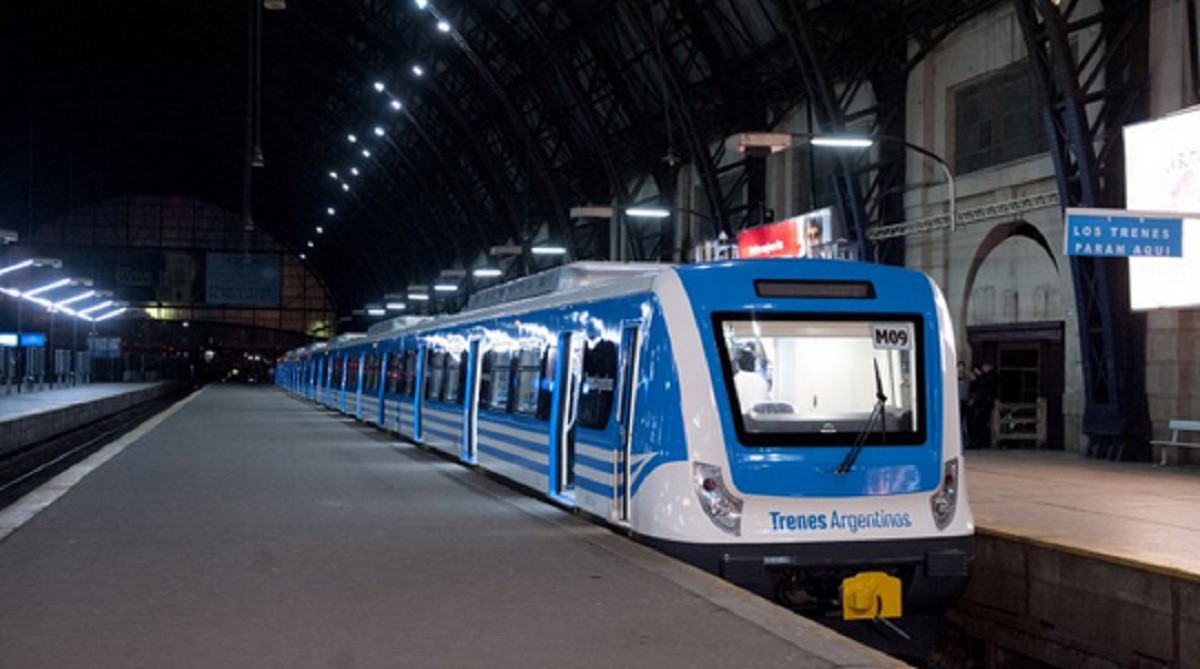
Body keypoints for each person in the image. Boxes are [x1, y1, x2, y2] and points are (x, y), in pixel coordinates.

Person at [968, 361, 999, 449]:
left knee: (982, 423)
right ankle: (976, 442)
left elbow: (987, 385)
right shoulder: (982, 377)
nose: (984, 368)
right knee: (976, 422)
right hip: (979, 402)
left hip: (985, 402)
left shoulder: (992, 376)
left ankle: (983, 442)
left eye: (986, 366)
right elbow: (975, 387)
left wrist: (979, 376)